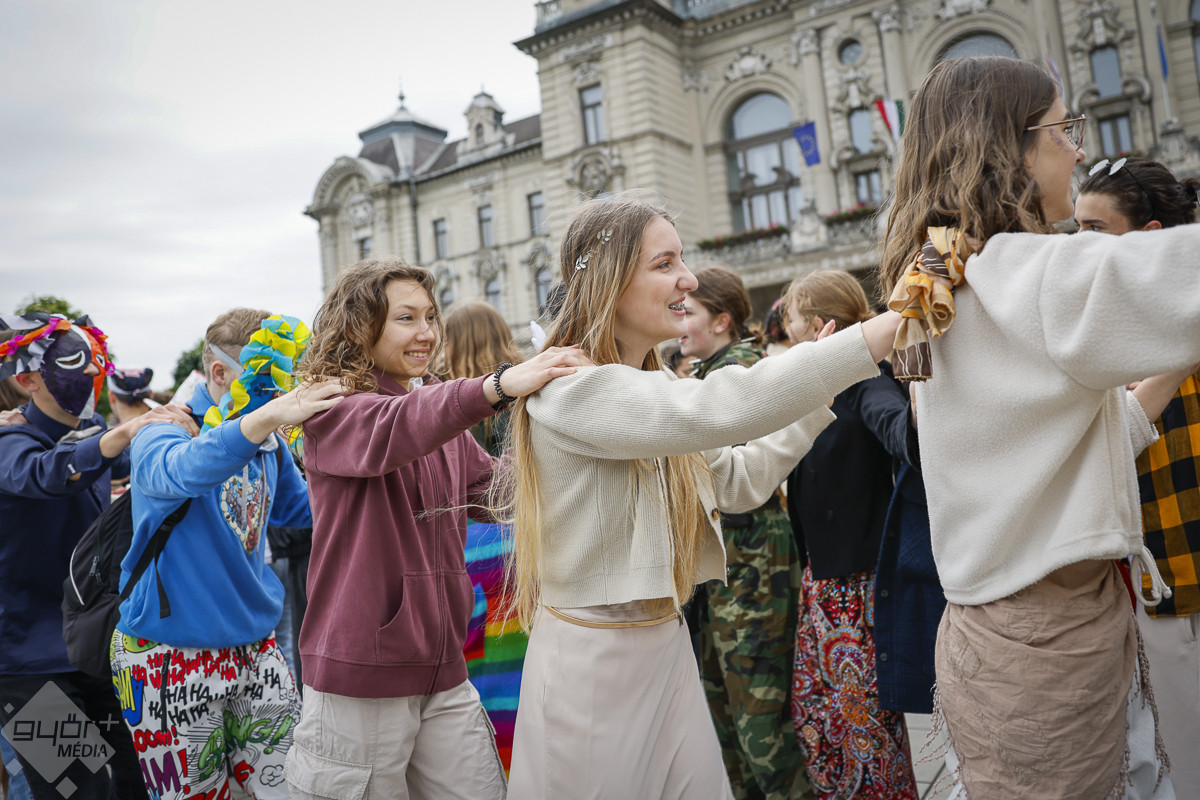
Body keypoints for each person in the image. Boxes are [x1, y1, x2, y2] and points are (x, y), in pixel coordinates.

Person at [501, 196, 902, 799]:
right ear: (610, 281)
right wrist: (873, 335)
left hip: (664, 640)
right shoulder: (570, 387)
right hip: (593, 661)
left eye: (682, 260)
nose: (688, 279)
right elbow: (720, 405)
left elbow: (734, 481)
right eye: (665, 264)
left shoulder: (652, 382)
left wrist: (820, 394)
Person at [878, 56, 1200, 799]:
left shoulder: (946, 274)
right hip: (1047, 644)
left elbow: (1069, 449)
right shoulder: (1030, 270)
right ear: (1010, 148)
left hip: (1006, 637)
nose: (1079, 152)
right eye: (1064, 130)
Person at [285, 258, 587, 800]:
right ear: (359, 326)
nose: (426, 332)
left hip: (445, 668)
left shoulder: (428, 403)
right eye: (406, 318)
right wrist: (500, 384)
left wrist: (581, 441)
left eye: (430, 316)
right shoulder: (330, 407)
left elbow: (499, 491)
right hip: (363, 676)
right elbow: (399, 426)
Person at [111, 309, 338, 800]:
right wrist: (263, 420)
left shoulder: (268, 442)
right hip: (168, 654)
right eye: (269, 381)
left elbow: (306, 510)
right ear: (219, 372)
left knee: (294, 788)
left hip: (257, 648)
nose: (281, 396)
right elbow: (180, 472)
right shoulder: (165, 428)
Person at [0, 314, 188, 800]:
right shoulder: (10, 442)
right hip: (28, 661)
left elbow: (144, 461)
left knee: (142, 778)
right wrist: (122, 434)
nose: (90, 371)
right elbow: (48, 473)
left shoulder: (96, 432)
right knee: (78, 789)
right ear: (27, 379)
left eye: (95, 360)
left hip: (97, 643)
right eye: (72, 362)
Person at [1073, 157, 1200, 799]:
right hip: (1161, 581)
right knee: (1187, 762)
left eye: (1094, 229)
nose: (1077, 245)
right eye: (1074, 228)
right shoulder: (1091, 330)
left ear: (1149, 235)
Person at [781, 270, 919, 800]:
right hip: (822, 582)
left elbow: (902, 431)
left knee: (867, 732)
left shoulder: (867, 381)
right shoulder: (819, 384)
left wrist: (919, 390)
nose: (786, 327)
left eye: (792, 316)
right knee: (816, 721)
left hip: (859, 588)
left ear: (820, 324)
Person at [680, 266, 811, 800]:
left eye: (688, 311)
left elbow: (746, 475)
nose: (679, 321)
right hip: (726, 576)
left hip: (753, 569)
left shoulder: (740, 374)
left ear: (721, 321)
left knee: (760, 725)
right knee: (727, 721)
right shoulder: (709, 373)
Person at [441, 299, 530, 773]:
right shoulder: (524, 392)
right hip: (524, 542)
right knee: (522, 665)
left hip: (470, 545)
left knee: (478, 666)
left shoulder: (451, 401)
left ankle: (490, 764)